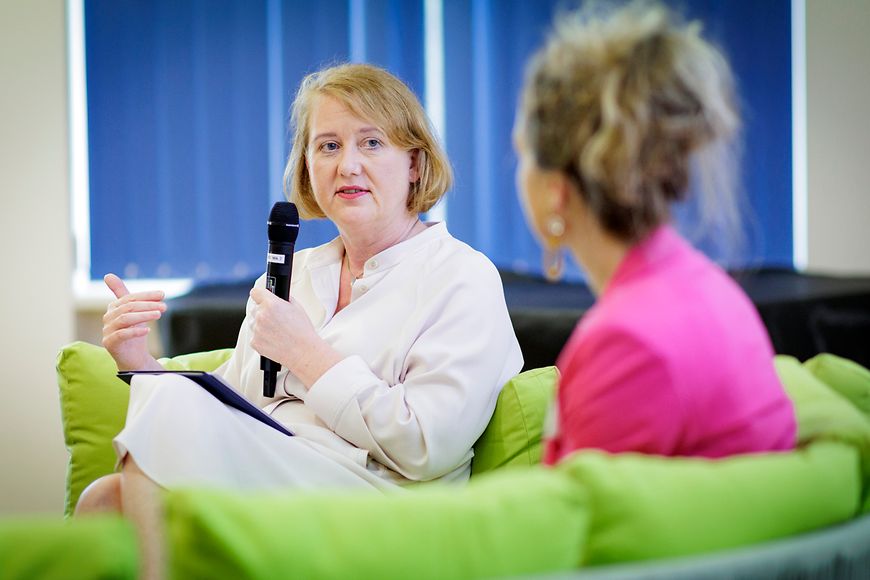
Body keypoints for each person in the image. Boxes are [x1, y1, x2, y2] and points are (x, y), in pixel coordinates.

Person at [78, 63, 523, 579]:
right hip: (276, 477)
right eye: (327, 146)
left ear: (415, 164)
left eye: (372, 143)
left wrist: (309, 355)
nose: (347, 165)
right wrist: (137, 359)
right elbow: (229, 409)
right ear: (308, 164)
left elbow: (427, 444)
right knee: (102, 500)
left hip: (382, 503)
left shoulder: (463, 277)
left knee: (160, 425)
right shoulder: (295, 273)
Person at [512, 2, 796, 464]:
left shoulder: (625, 346)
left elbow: (586, 528)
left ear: (557, 193)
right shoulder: (708, 287)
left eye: (522, 155)